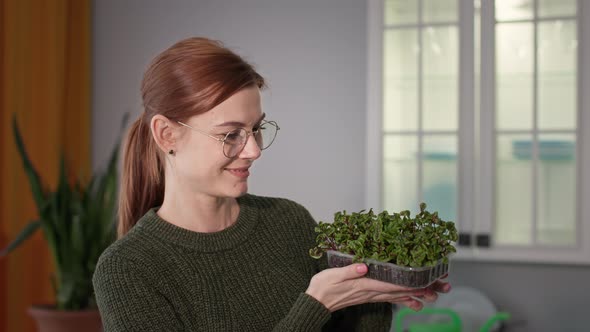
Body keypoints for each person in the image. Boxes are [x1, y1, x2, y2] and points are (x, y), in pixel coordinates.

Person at [92, 37, 451, 332]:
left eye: (256, 129)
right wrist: (316, 305)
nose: (253, 150)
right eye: (231, 134)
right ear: (167, 134)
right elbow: (316, 310)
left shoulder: (289, 221)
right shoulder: (129, 271)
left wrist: (373, 294)